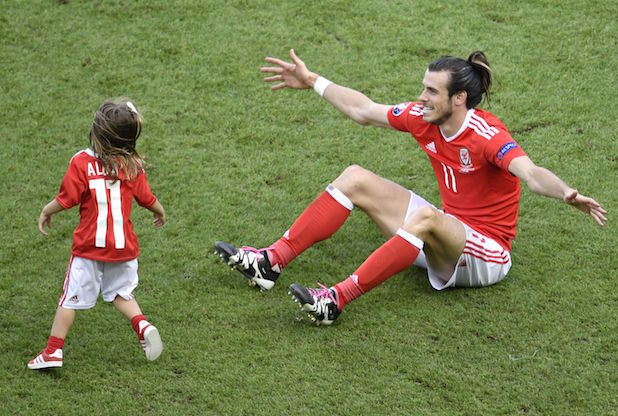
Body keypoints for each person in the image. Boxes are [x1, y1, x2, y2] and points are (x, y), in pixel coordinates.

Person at [215, 49, 607, 326]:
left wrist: (568, 193)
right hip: (442, 230)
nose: (421, 98)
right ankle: (271, 261)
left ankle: (334, 300)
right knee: (355, 177)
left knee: (426, 217)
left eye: (431, 92)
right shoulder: (424, 118)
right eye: (423, 88)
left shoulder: (487, 135)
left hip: (487, 255)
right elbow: (363, 110)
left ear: (459, 99)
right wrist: (313, 80)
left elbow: (531, 172)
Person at [28, 99, 166, 369]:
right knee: (120, 294)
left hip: (89, 248)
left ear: (97, 134)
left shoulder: (81, 162)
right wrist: (159, 212)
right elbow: (147, 198)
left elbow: (67, 199)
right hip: (124, 248)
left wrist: (47, 210)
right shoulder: (133, 165)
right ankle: (142, 325)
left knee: (69, 298)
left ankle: (53, 351)